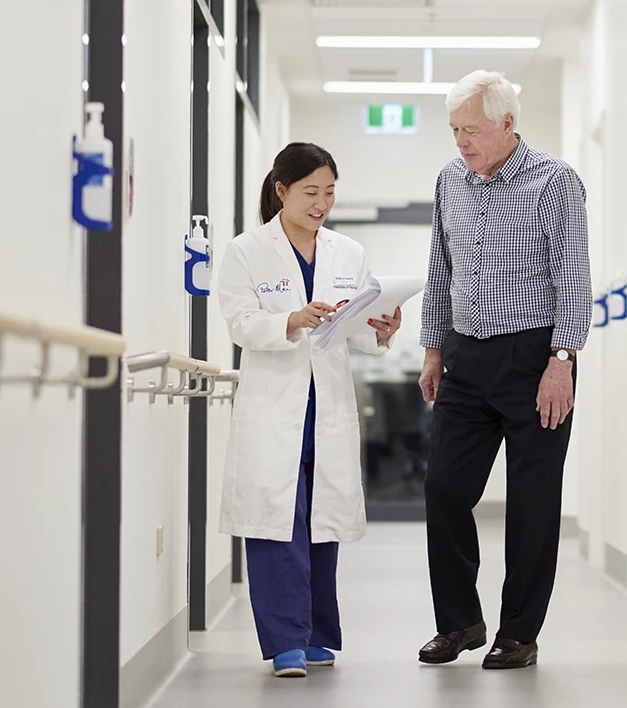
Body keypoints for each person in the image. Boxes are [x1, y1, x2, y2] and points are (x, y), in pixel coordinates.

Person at [417, 70, 592, 670]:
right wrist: (434, 348)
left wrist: (562, 360)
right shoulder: (450, 181)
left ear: (507, 123)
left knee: (532, 504)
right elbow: (441, 267)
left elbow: (572, 276)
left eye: (470, 129)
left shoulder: (556, 182)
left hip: (535, 358)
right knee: (443, 489)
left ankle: (519, 633)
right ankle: (460, 622)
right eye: (454, 130)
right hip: (466, 356)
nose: (460, 141)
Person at [217, 142, 403, 678]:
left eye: (329, 192)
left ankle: (318, 634)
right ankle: (285, 643)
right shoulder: (247, 251)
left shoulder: (347, 253)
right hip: (274, 406)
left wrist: (381, 331)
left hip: (327, 405)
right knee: (278, 523)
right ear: (282, 190)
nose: (322, 203)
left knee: (320, 522)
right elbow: (239, 323)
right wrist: (292, 319)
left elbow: (358, 330)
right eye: (310, 192)